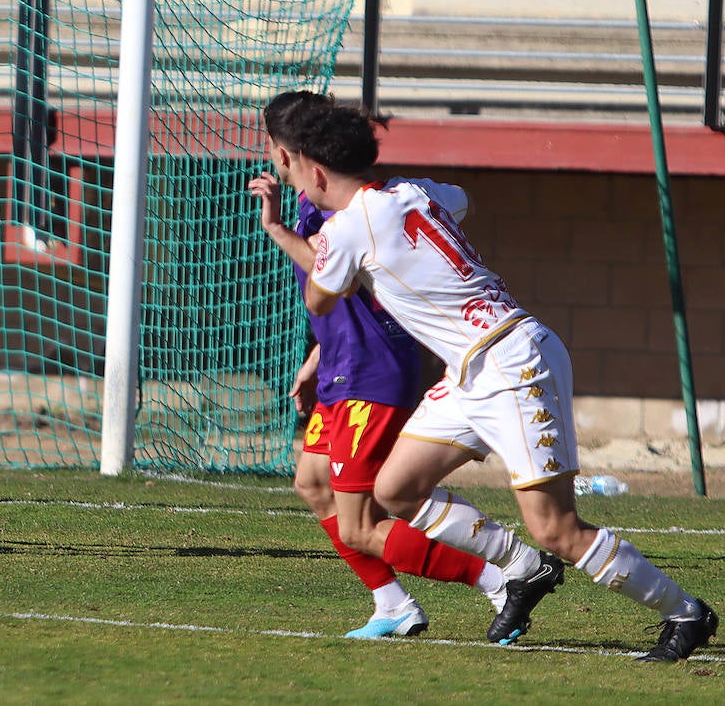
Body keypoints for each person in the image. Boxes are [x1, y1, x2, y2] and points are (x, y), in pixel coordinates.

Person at [281, 97, 716, 662]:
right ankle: (520, 569)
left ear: (315, 171)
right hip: (471, 367)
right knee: (395, 490)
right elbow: (464, 199)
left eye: (290, 165)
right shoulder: (414, 190)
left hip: (510, 363)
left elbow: (320, 296)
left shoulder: (344, 230)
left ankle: (685, 612)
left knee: (556, 527)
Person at [249, 90, 506, 638]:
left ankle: (498, 577)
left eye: (273, 145)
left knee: (364, 517)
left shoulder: (340, 200)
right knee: (313, 481)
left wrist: (279, 233)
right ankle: (392, 604)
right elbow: (349, 291)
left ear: (288, 150)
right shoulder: (310, 196)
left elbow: (330, 277)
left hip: (373, 367)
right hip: (343, 360)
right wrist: (319, 353)